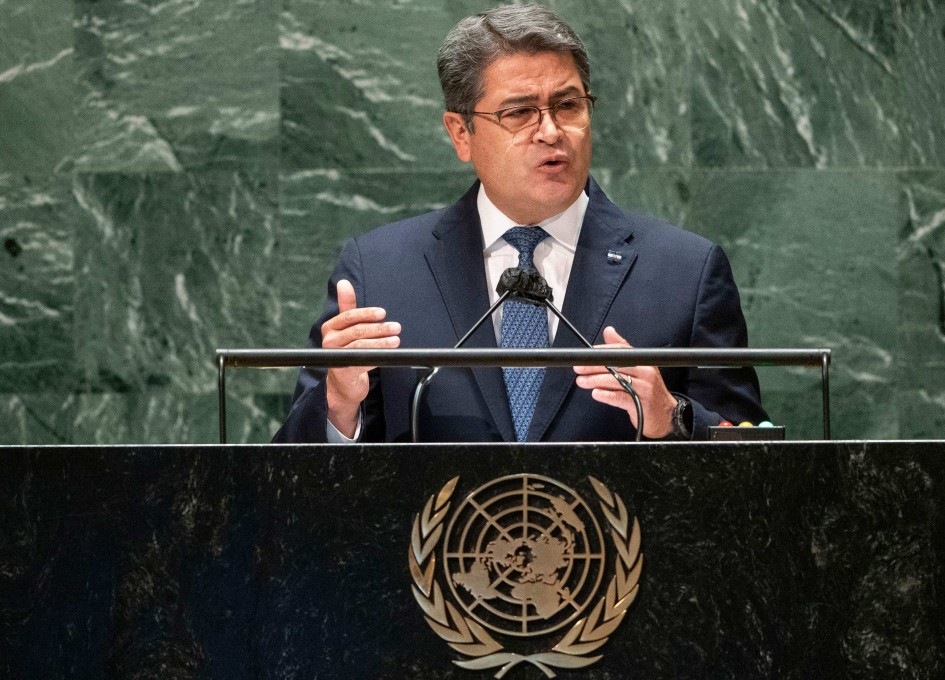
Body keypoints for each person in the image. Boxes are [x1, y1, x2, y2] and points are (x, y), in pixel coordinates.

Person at [273, 4, 767, 444]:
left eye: (568, 105)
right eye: (519, 112)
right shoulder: (380, 271)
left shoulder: (686, 271)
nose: (550, 131)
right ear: (460, 133)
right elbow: (286, 479)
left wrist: (671, 416)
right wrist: (340, 406)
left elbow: (758, 467)